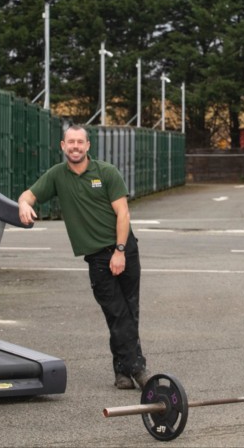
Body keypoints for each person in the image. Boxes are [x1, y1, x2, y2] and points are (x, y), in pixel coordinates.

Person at [18, 124, 150, 390]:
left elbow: (123, 214)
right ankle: (139, 370)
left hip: (124, 249)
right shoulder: (57, 175)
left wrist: (120, 251)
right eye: (71, 142)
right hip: (98, 259)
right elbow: (29, 195)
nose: (75, 146)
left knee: (128, 312)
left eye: (80, 142)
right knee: (116, 312)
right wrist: (23, 204)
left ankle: (122, 372)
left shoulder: (106, 172)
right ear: (63, 146)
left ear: (88, 146)